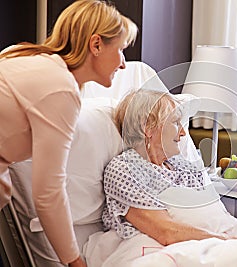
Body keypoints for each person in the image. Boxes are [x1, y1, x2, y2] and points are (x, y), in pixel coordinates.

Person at [0, 1, 137, 266]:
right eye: (120, 49)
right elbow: (49, 192)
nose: (123, 64)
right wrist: (75, 261)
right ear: (96, 44)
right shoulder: (60, 88)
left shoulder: (23, 55)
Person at [102, 89, 237, 248]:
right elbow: (167, 233)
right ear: (147, 128)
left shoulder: (184, 167)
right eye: (176, 122)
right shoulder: (124, 170)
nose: (183, 133)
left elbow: (215, 217)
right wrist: (231, 243)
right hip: (178, 249)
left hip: (220, 237)